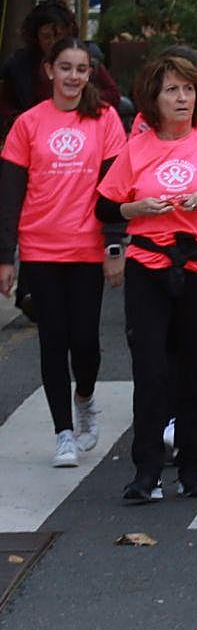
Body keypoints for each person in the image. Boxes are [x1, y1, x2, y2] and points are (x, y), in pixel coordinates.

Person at [97, 54, 197, 503]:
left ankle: (191, 468)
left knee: (194, 374)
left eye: (188, 89)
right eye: (172, 90)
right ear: (154, 99)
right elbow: (105, 207)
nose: (182, 98)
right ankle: (146, 472)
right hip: (149, 266)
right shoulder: (138, 148)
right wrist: (136, 208)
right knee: (150, 371)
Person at [0, 37, 127, 465]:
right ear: (50, 70)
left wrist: (114, 244)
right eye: (66, 67)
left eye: (81, 69)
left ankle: (85, 398)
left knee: (85, 340)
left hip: (87, 248)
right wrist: (5, 256)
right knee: (53, 339)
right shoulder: (28, 124)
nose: (73, 76)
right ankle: (63, 433)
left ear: (90, 74)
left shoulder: (105, 119)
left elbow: (115, 187)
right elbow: (10, 194)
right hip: (40, 248)